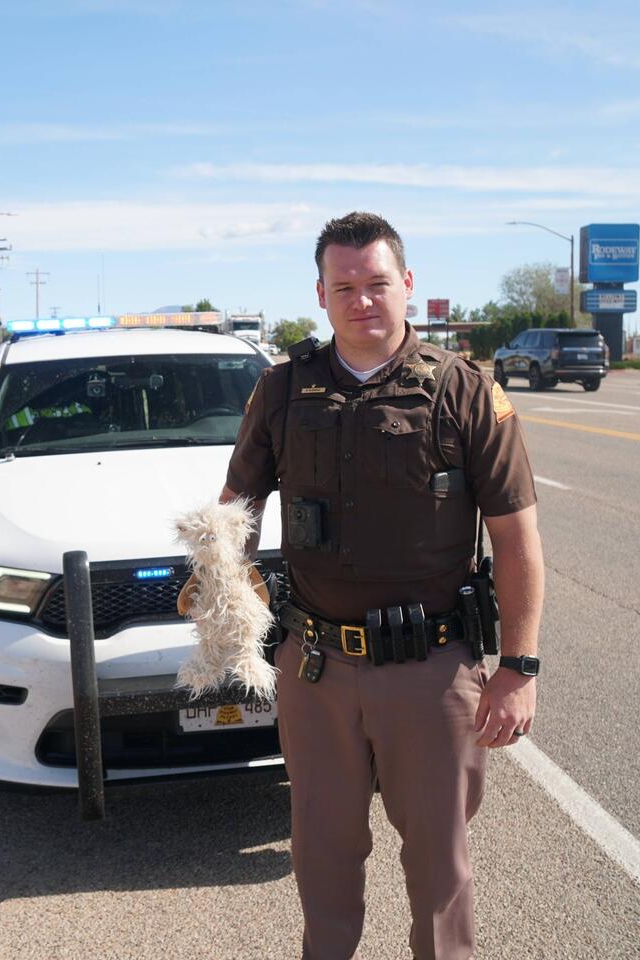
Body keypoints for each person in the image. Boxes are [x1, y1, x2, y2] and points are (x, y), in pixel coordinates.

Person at [221, 212, 544, 960]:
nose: (362, 300)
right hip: (316, 667)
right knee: (322, 857)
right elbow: (236, 512)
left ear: (407, 284)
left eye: (376, 283)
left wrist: (518, 668)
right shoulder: (282, 389)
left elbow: (517, 538)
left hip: (429, 671)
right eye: (344, 287)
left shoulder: (465, 391)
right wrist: (224, 608)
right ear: (320, 295)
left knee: (438, 867)